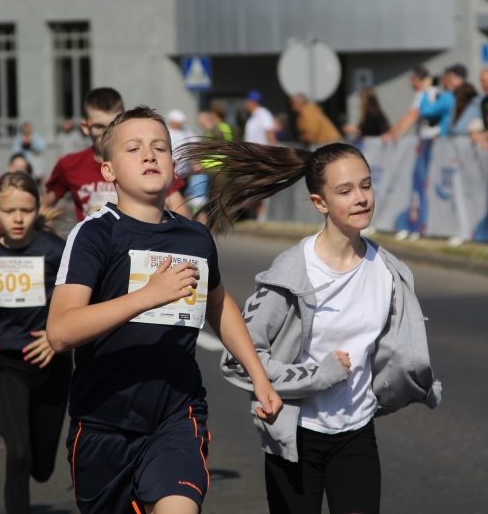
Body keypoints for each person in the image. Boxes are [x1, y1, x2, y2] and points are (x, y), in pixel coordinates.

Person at [178, 139, 440, 514]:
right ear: (320, 203)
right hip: (296, 437)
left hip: (356, 433)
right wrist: (319, 376)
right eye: (345, 191)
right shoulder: (292, 273)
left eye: (365, 185)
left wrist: (415, 382)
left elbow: (394, 353)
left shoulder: (388, 270)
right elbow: (240, 359)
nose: (361, 198)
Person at [46, 106, 282, 514]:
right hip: (103, 422)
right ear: (108, 171)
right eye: (134, 148)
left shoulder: (194, 237)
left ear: (174, 167)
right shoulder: (95, 234)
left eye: (160, 148)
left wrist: (258, 375)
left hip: (177, 415)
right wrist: (146, 296)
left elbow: (219, 305)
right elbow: (61, 332)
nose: (150, 155)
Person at [0, 172, 69, 514]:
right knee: (18, 454)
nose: (18, 218)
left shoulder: (56, 250)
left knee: (42, 468)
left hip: (52, 364)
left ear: (37, 208)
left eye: (26, 210)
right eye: (9, 210)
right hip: (6, 362)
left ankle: (40, 466)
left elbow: (80, 301)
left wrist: (58, 340)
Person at [43, 87, 124, 221]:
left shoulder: (138, 162)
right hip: (89, 241)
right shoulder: (69, 165)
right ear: (86, 128)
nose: (107, 135)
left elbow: (169, 206)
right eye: (99, 127)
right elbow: (43, 208)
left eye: (113, 126)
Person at [383, 66, 437, 140]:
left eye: (411, 80)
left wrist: (396, 133)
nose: (411, 83)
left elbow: (413, 114)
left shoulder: (425, 93)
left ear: (415, 79)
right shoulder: (431, 92)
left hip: (429, 140)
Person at [417, 64, 467, 137]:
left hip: (446, 140)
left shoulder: (448, 97)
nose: (443, 80)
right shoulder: (464, 94)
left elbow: (425, 112)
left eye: (444, 77)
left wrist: (425, 90)